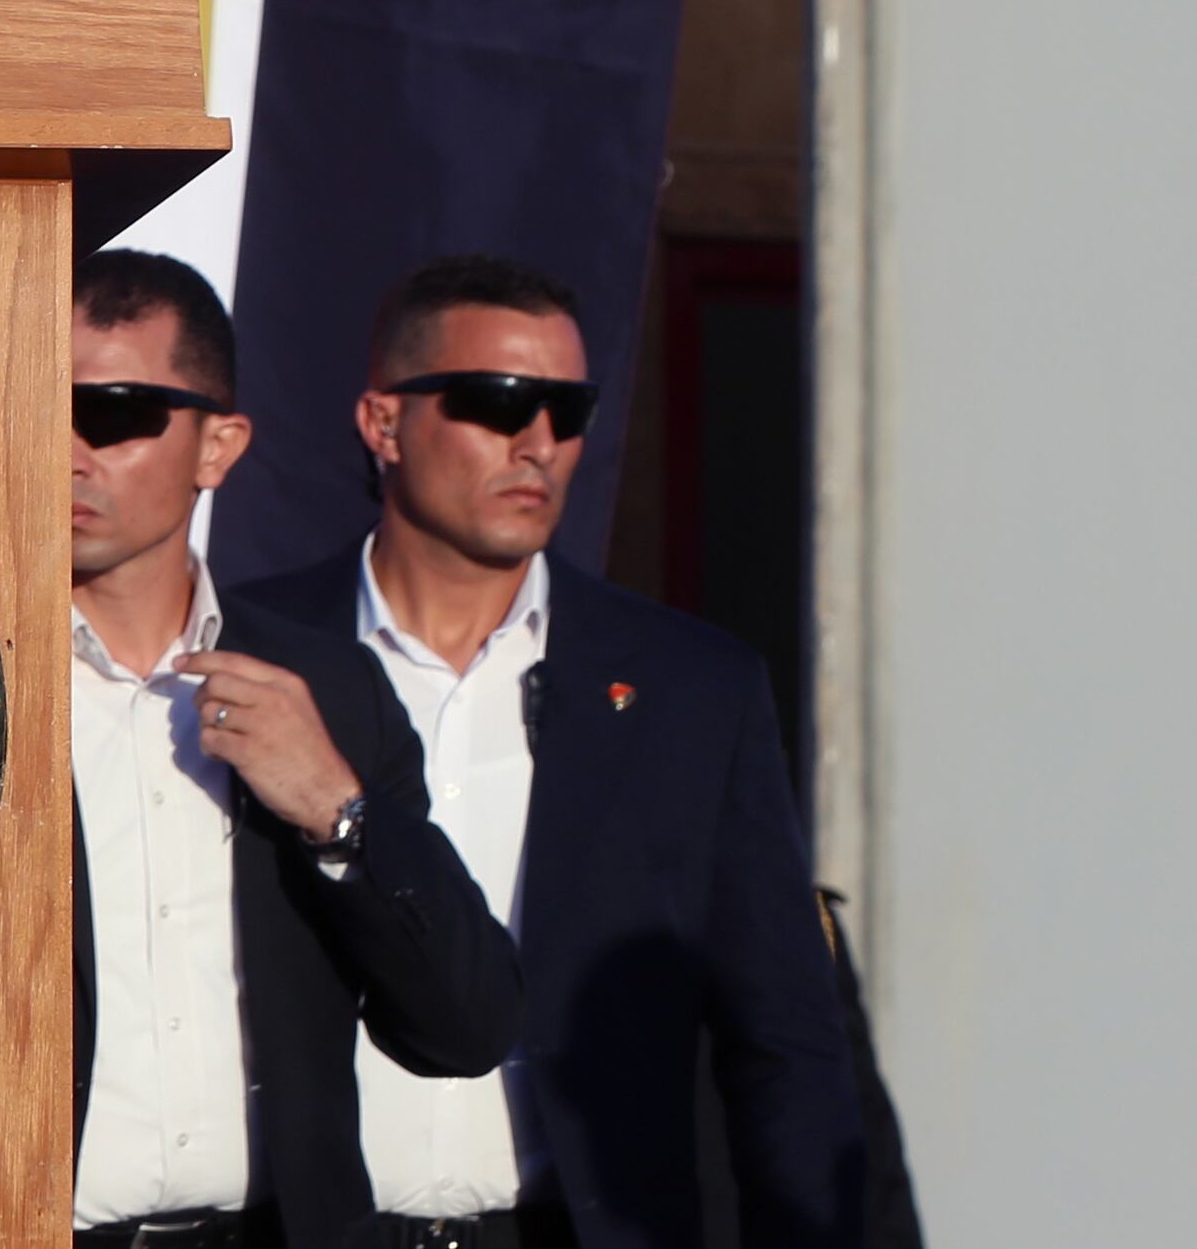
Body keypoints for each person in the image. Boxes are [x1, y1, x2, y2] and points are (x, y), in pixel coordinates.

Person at [251, 252, 868, 1249]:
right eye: (495, 401)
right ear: (380, 423)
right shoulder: (249, 652)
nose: (535, 441)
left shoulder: (688, 690)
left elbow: (783, 1041)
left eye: (564, 409)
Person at [72, 249, 518, 1249]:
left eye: (113, 413)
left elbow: (464, 1024)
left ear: (216, 445)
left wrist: (338, 816)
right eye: (38, 406)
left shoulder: (324, 690)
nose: (67, 449)